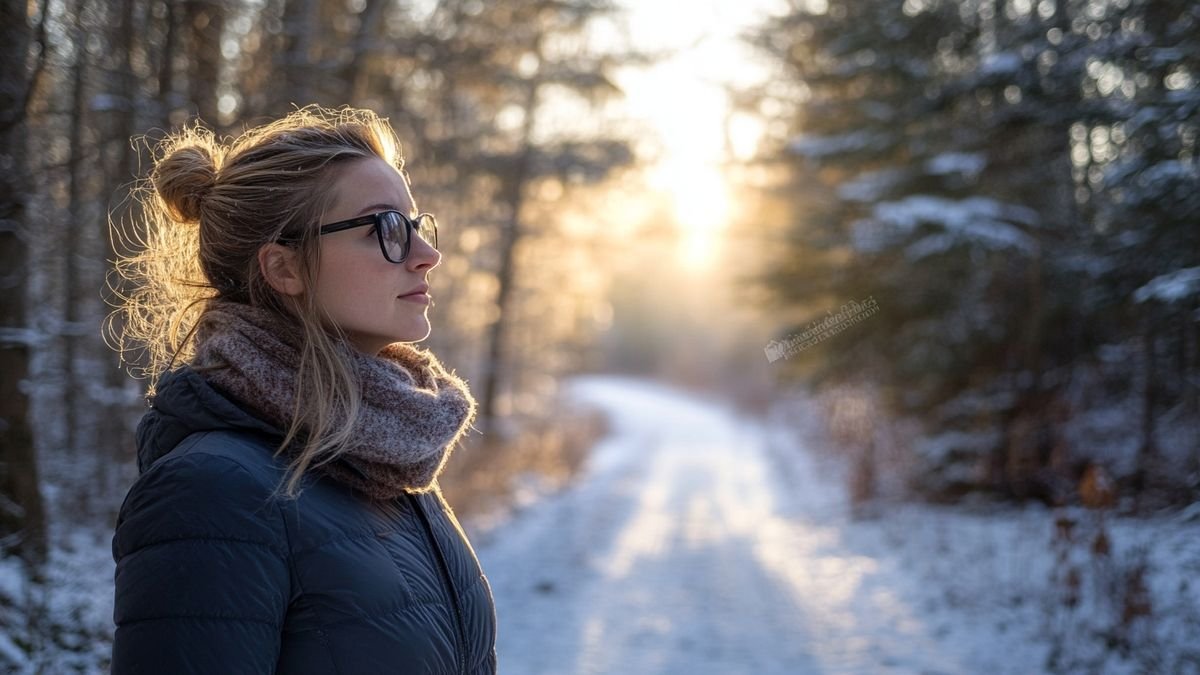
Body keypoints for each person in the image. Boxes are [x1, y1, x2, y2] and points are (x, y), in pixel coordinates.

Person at [108, 106, 496, 674]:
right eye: (386, 228)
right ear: (284, 268)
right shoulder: (210, 494)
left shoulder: (386, 448)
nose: (426, 255)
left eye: (416, 225)